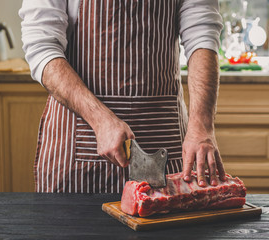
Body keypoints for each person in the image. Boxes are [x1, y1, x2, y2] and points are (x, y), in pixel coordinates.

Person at [19, 0, 226, 193]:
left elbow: (202, 34)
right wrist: (100, 120)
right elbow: (42, 47)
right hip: (78, 143)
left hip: (163, 140)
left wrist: (201, 125)